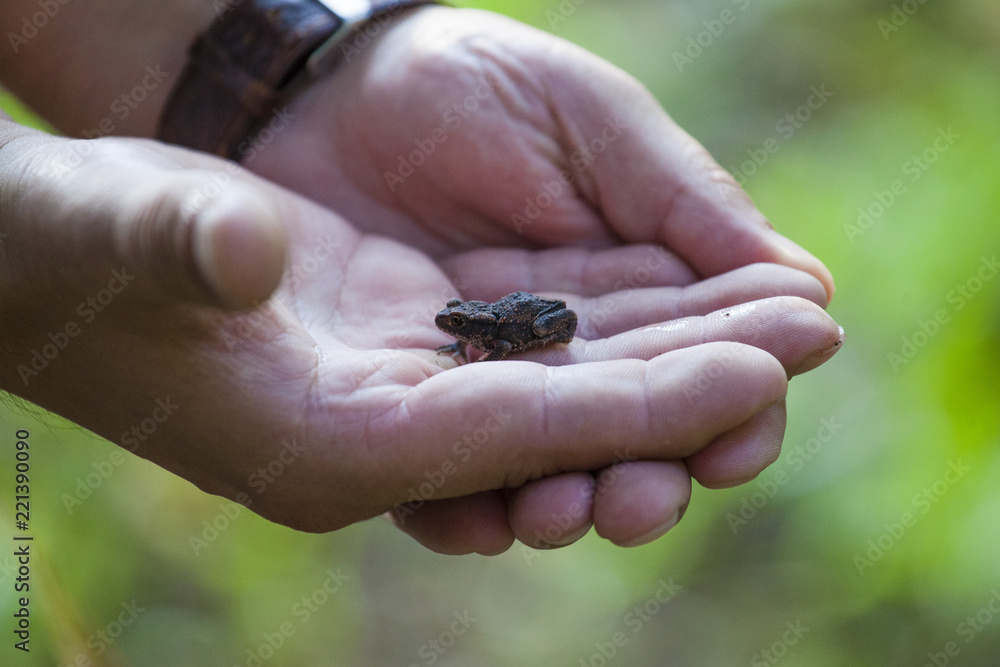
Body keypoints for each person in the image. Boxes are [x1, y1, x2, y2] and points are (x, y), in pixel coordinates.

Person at [0, 0, 842, 555]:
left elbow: (532, 327)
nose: (452, 337)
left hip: (530, 316)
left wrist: (291, 52)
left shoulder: (497, 328)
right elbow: (486, 335)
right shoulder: (476, 330)